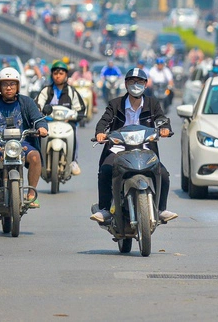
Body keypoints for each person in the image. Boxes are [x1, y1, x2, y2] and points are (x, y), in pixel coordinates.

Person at [91, 68, 177, 223]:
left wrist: (165, 128)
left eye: (139, 82)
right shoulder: (115, 104)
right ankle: (105, 210)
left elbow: (161, 119)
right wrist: (100, 133)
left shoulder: (152, 103)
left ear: (145, 84)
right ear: (126, 84)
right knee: (106, 170)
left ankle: (161, 209)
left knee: (163, 174)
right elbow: (104, 121)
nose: (135, 85)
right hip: (118, 148)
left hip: (145, 148)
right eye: (132, 81)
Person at [0, 67, 48, 210]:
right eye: (5, 84)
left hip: (21, 142)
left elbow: (38, 119)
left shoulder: (27, 102)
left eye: (12, 84)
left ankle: (31, 194)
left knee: (35, 156)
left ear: (18, 86)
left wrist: (42, 128)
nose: (9, 87)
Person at [35, 61, 86, 176]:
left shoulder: (71, 92)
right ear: (52, 75)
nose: (58, 76)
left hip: (67, 123)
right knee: (38, 133)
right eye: (55, 73)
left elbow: (80, 109)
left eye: (61, 73)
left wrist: (73, 117)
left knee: (74, 131)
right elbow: (37, 105)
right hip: (48, 122)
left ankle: (73, 161)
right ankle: (38, 160)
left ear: (66, 75)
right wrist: (40, 112)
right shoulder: (46, 91)